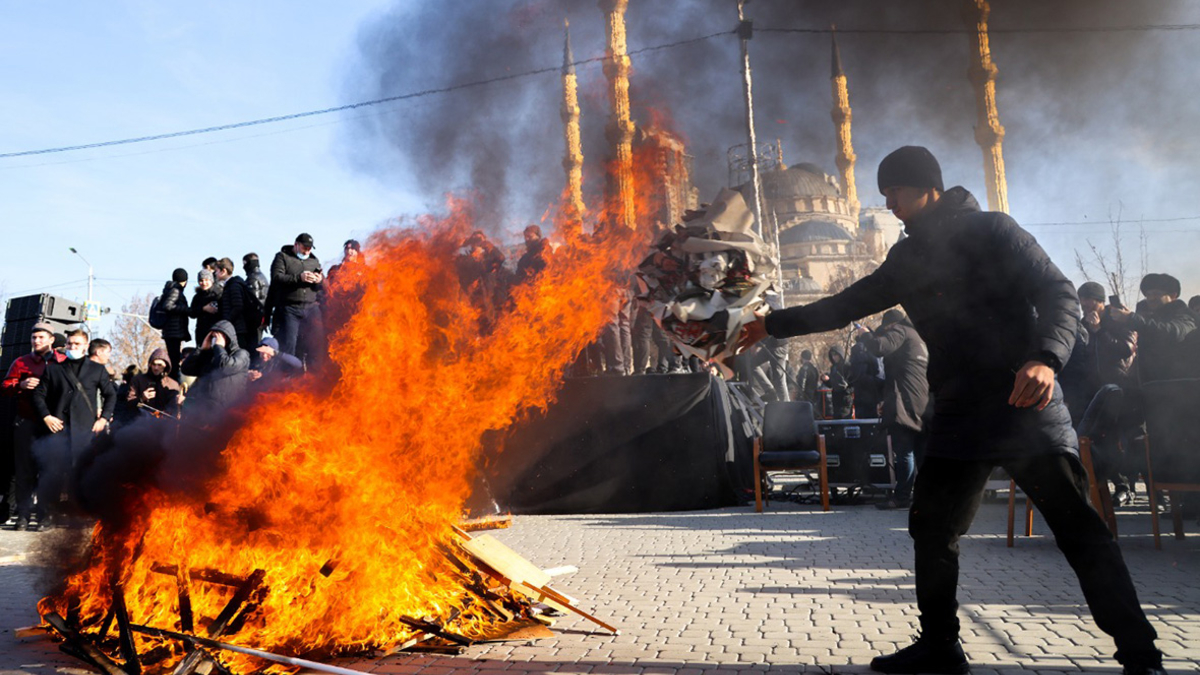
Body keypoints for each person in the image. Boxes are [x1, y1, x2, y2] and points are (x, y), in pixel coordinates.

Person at [739, 146, 1165, 675]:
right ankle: (941, 646)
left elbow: (1059, 293)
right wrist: (771, 323)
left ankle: (1140, 654)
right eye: (884, 193)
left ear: (928, 187)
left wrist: (1046, 359)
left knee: (1078, 529)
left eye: (895, 190)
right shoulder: (906, 258)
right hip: (961, 411)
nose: (888, 202)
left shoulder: (994, 231)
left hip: (1023, 404)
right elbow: (844, 305)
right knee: (931, 527)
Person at [31, 329, 116, 524]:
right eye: (70, 343)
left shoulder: (97, 370)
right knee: (52, 471)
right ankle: (46, 516)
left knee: (81, 473)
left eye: (77, 344)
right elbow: (38, 395)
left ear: (86, 346)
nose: (73, 347)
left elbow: (110, 395)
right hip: (57, 429)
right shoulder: (53, 369)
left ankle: (78, 515)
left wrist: (103, 419)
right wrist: (46, 417)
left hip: (84, 430)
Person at [856, 309, 930, 510]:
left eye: (885, 330)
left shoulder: (900, 330)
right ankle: (925, 497)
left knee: (904, 452)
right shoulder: (919, 338)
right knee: (921, 453)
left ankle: (902, 498)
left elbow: (879, 347)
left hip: (905, 405)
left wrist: (865, 335)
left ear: (890, 326)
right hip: (921, 402)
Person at [1, 323, 65, 530]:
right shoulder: (21, 362)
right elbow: (5, 386)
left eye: (41, 337)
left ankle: (45, 515)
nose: (36, 341)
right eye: (34, 337)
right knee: (23, 471)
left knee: (49, 470)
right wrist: (19, 385)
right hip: (26, 422)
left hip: (52, 423)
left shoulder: (62, 362)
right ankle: (23, 515)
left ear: (51, 340)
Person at [1108, 273, 1194, 383]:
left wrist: (1131, 319)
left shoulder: (1185, 316)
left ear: (1173, 295)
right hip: (1152, 387)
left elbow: (1171, 332)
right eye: (1148, 294)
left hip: (1179, 386)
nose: (1151, 298)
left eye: (1156, 294)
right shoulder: (1149, 319)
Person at [269, 233, 326, 367]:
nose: (307, 251)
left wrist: (320, 280)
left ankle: (313, 377)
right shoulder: (282, 257)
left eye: (310, 248)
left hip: (311, 308)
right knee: (290, 344)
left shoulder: (314, 261)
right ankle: (289, 376)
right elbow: (277, 278)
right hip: (291, 308)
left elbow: (320, 286)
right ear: (296, 244)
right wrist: (298, 278)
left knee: (316, 342)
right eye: (305, 247)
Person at [180, 320, 250, 418]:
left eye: (217, 337)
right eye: (212, 337)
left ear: (227, 338)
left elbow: (225, 366)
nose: (214, 340)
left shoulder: (241, 354)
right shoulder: (208, 356)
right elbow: (186, 369)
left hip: (228, 413)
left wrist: (219, 346)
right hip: (204, 413)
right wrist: (201, 349)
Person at [216, 257, 260, 351]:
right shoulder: (232, 285)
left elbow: (238, 306)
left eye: (217, 271)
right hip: (235, 327)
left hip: (237, 329)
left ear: (223, 271)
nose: (215, 274)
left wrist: (226, 321)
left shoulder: (234, 286)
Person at [125, 348, 182, 419]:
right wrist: (141, 398)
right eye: (153, 364)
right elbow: (129, 404)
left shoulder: (173, 384)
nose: (156, 368)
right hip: (141, 423)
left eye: (159, 365)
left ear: (165, 365)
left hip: (164, 424)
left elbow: (174, 409)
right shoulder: (138, 380)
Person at [158, 268, 192, 381]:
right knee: (174, 359)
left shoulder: (170, 289)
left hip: (172, 330)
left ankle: (173, 379)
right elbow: (168, 306)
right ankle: (173, 381)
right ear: (185, 281)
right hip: (174, 331)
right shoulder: (176, 290)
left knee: (174, 357)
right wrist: (186, 309)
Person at [191, 268, 222, 344]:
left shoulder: (219, 294)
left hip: (216, 330)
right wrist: (203, 309)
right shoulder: (197, 297)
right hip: (201, 332)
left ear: (211, 280)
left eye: (206, 280)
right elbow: (191, 313)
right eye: (201, 281)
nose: (204, 283)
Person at [824, 345, 853, 419]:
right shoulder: (833, 367)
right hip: (836, 398)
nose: (834, 357)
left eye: (835, 355)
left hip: (845, 398)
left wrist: (848, 391)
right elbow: (832, 384)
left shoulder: (847, 366)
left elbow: (852, 381)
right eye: (832, 355)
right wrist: (826, 380)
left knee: (844, 419)